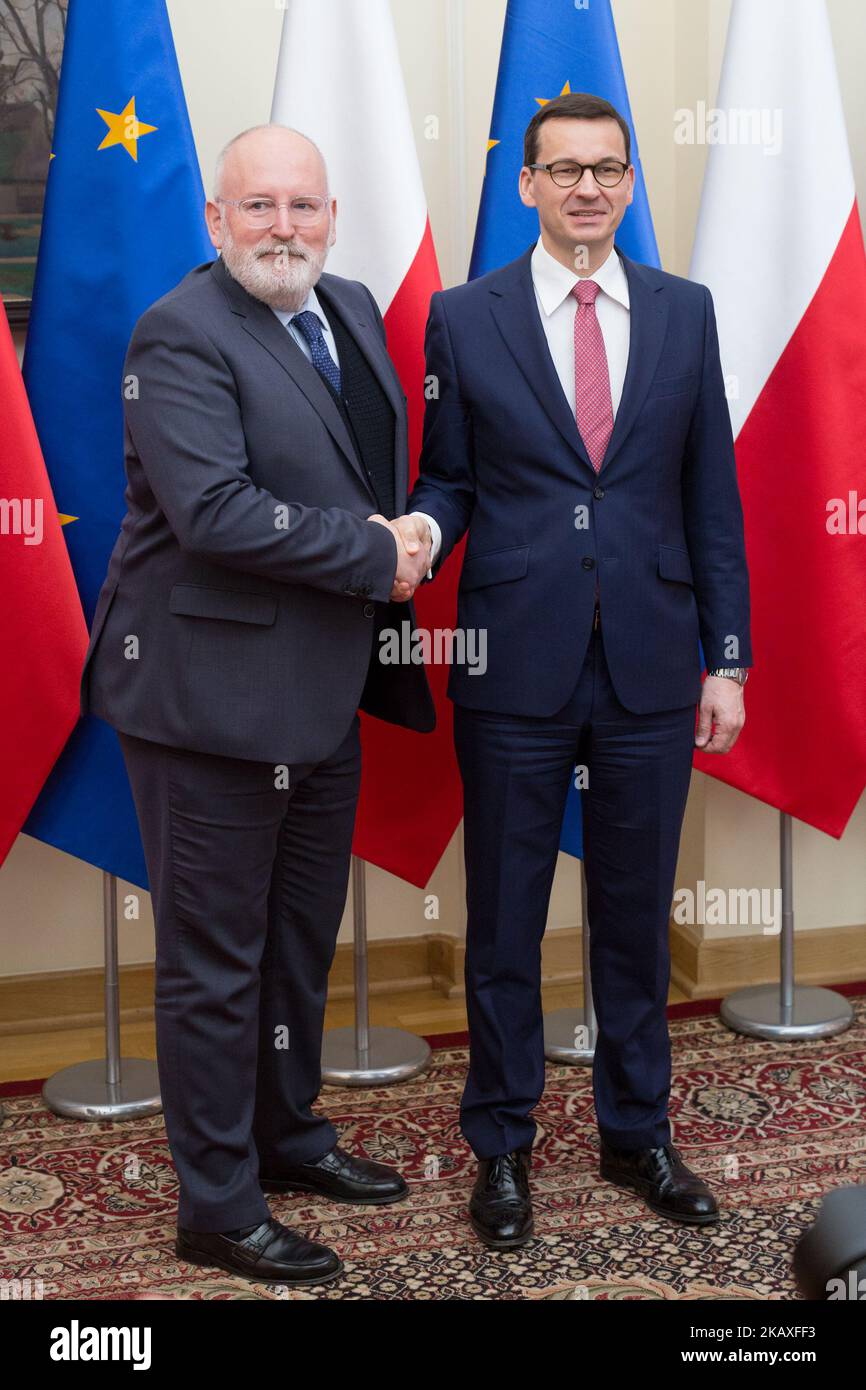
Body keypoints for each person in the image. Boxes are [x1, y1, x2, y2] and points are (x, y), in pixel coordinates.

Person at [80, 124, 434, 1286]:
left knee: (293, 944)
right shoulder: (179, 332)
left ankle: (286, 1138)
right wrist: (375, 552)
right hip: (207, 703)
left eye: (302, 206)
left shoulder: (350, 304)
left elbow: (364, 471)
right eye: (258, 207)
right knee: (214, 960)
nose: (283, 227)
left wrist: (411, 530)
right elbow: (218, 513)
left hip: (319, 693)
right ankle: (217, 1205)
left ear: (330, 216)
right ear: (217, 221)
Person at [398, 92, 751, 1248]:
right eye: (564, 170)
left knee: (634, 919)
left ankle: (634, 1132)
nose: (587, 187)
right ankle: (499, 1147)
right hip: (514, 666)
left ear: (631, 180)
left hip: (652, 664)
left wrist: (727, 660)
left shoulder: (686, 314)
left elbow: (711, 501)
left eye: (608, 168)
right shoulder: (463, 316)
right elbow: (448, 476)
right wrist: (419, 533)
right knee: (503, 923)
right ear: (527, 185)